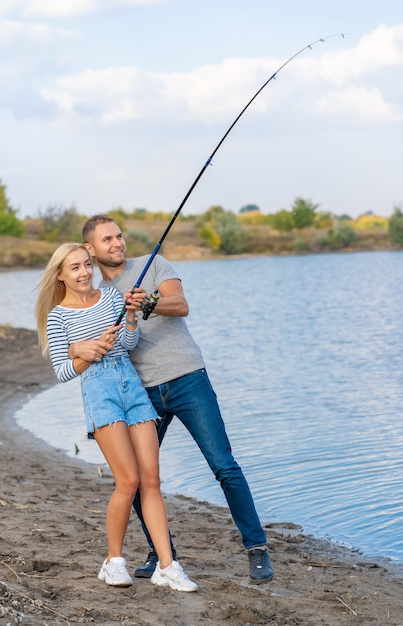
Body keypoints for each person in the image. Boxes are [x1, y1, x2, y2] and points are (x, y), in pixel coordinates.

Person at [71, 216, 274, 584]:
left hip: (187, 379)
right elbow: (77, 332)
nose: (117, 243)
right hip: (142, 392)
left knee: (224, 466)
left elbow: (180, 304)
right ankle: (161, 554)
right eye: (107, 239)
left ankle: (256, 548)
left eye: (119, 236)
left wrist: (148, 302)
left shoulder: (154, 265)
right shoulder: (98, 293)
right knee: (134, 478)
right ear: (90, 248)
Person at [35, 242, 198, 592]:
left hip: (132, 387)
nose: (83, 272)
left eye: (85, 265)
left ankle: (167, 566)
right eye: (74, 268)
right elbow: (63, 372)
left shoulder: (110, 296)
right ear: (61, 275)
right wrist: (86, 353)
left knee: (151, 480)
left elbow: (128, 344)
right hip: (100, 391)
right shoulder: (58, 316)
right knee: (128, 482)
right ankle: (113, 561)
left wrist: (129, 317)